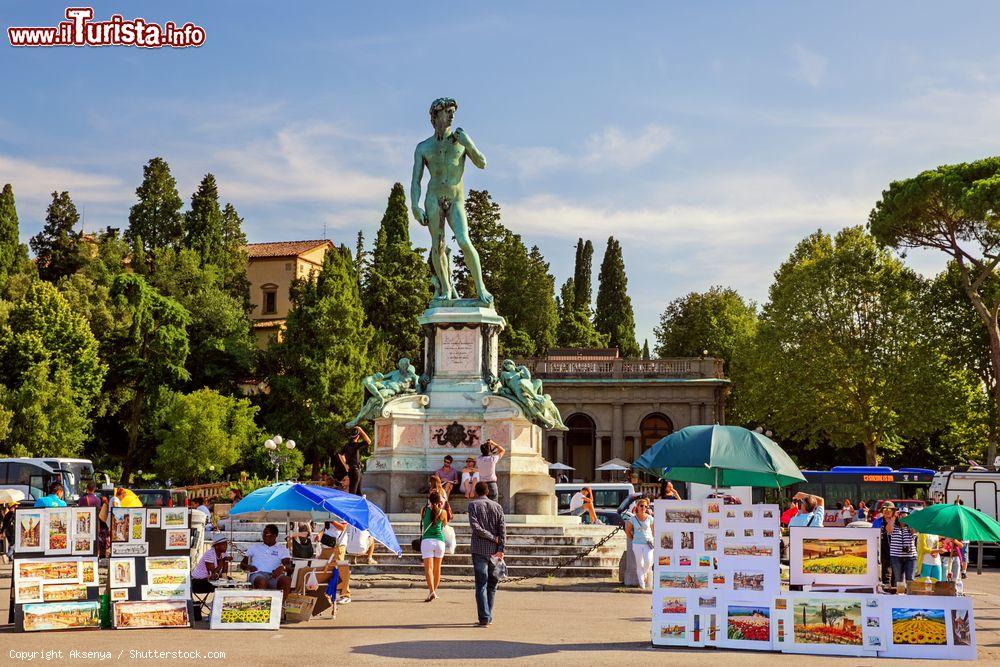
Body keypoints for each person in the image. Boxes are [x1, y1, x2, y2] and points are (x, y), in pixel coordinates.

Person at [467, 481, 505, 626]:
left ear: (476, 492)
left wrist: (490, 537)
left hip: (479, 549)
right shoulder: (498, 506)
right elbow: (502, 530)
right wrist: (501, 548)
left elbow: (475, 527)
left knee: (481, 584)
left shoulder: (473, 505)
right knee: (492, 585)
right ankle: (488, 615)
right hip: (494, 551)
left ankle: (484, 617)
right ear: (488, 492)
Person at [241, 524, 293, 603]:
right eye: (263, 534)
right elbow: (242, 564)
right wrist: (249, 567)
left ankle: (279, 607)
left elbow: (289, 566)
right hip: (257, 574)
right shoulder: (255, 547)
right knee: (261, 581)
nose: (264, 536)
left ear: (274, 536)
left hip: (274, 576)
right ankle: (262, 607)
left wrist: (283, 568)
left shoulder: (282, 549)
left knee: (286, 580)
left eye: (267, 534)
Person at [191, 534, 231, 620]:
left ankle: (221, 610)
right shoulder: (209, 554)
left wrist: (226, 562)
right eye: (223, 544)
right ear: (216, 546)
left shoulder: (224, 554)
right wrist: (221, 563)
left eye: (226, 544)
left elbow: (223, 574)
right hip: (198, 582)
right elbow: (212, 575)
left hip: (211, 581)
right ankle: (214, 613)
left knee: (230, 585)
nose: (226, 546)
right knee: (221, 586)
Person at [420, 491, 449, 602]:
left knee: (429, 569)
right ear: (440, 502)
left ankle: (431, 591)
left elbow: (423, 521)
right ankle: (434, 592)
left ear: (429, 500)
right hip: (439, 542)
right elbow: (444, 524)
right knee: (437, 569)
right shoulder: (443, 512)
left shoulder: (423, 510)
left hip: (427, 541)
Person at [624, 498, 654, 589]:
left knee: (648, 561)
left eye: (645, 506)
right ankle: (642, 584)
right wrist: (633, 539)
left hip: (648, 543)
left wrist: (652, 538)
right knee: (639, 563)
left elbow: (653, 530)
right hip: (637, 544)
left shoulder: (650, 518)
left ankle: (644, 573)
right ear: (637, 506)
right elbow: (628, 531)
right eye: (641, 506)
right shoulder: (632, 519)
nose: (643, 508)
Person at [320, 519, 352, 604]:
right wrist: (320, 534)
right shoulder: (328, 512)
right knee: (322, 568)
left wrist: (331, 520)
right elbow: (326, 528)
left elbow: (343, 527)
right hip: (326, 545)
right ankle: (325, 593)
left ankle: (345, 595)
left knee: (342, 570)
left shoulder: (340, 513)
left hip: (338, 545)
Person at [888, 508, 918, 592]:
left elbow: (915, 531)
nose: (903, 518)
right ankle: (899, 598)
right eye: (901, 515)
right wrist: (894, 517)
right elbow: (888, 529)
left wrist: (910, 521)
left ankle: (911, 597)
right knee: (898, 580)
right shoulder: (894, 526)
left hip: (910, 557)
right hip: (896, 557)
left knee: (910, 579)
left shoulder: (910, 527)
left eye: (905, 515)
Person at [339, 426, 371, 496]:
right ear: (357, 436)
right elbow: (369, 441)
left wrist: (345, 465)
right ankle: (350, 506)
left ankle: (360, 506)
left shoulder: (347, 445)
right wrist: (361, 430)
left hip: (353, 470)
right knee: (353, 493)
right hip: (355, 471)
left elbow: (340, 454)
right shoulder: (355, 445)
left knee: (358, 493)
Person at [874, 502, 896, 590]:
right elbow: (872, 536)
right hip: (883, 552)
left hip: (897, 552)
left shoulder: (898, 521)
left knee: (897, 576)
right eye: (884, 509)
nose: (886, 511)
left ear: (893, 511)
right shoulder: (877, 522)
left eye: (889, 509)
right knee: (885, 576)